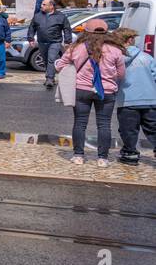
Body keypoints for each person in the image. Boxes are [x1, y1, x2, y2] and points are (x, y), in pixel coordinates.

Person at [56, 18, 126, 167]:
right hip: (106, 91)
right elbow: (121, 74)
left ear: (86, 32)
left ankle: (79, 156)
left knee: (80, 123)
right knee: (104, 124)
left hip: (82, 89)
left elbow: (59, 65)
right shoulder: (115, 50)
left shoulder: (77, 48)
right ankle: (103, 158)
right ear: (107, 33)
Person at [115, 28, 156, 165]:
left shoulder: (117, 59)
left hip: (127, 100)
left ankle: (130, 154)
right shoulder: (147, 57)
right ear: (130, 40)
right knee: (153, 128)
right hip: (150, 99)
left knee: (128, 130)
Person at [26, 0, 73, 89]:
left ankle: (49, 79)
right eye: (41, 4)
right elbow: (32, 28)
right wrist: (30, 39)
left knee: (51, 59)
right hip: (42, 42)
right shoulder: (37, 16)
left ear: (51, 6)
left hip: (55, 42)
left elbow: (67, 29)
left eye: (44, 4)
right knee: (46, 60)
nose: (41, 6)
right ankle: (50, 76)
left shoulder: (60, 16)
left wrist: (68, 41)